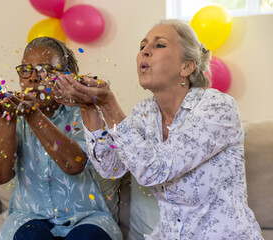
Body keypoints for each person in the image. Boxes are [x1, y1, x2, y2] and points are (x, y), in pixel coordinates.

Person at [53, 19, 264, 239]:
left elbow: (155, 168)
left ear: (187, 66)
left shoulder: (218, 107)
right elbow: (111, 167)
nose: (144, 52)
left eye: (159, 45)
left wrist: (108, 104)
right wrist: (89, 108)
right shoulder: (144, 112)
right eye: (142, 46)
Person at [0, 37, 122, 240]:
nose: (33, 77)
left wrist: (32, 115)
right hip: (28, 217)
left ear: (66, 77)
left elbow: (74, 164)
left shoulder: (82, 114)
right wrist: (7, 117)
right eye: (26, 69)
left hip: (85, 217)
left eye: (45, 69)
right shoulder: (11, 116)